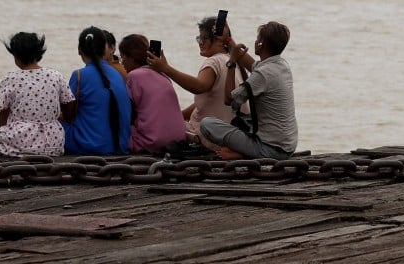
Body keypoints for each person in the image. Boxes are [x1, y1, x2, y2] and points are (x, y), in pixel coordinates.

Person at [200, 21, 298, 160]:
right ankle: (244, 151)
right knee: (243, 121)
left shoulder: (262, 74)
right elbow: (252, 65)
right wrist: (228, 39)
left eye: (258, 38)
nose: (255, 41)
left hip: (270, 149)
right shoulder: (281, 65)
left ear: (260, 44)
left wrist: (232, 63)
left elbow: (229, 99)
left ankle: (243, 153)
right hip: (288, 146)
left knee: (207, 124)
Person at [146, 16, 236, 149]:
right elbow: (210, 98)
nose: (200, 42)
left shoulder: (213, 62)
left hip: (206, 137)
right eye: (199, 38)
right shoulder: (233, 62)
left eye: (204, 38)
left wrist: (166, 68)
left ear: (219, 40)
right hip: (228, 134)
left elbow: (199, 87)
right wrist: (180, 115)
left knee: (154, 126)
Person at [0, 32, 76, 157]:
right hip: (53, 141)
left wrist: (3, 135)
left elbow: (3, 113)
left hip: (21, 140)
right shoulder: (55, 75)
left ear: (16, 56)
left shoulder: (10, 79)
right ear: (39, 54)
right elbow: (69, 105)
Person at [62, 27, 132, 155]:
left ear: (79, 50)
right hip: (120, 145)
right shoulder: (117, 73)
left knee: (51, 125)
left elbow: (68, 115)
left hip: (89, 146)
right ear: (104, 50)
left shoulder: (79, 75)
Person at [118, 34, 186, 153]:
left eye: (122, 57)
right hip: (177, 140)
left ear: (132, 58)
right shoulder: (164, 76)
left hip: (153, 142)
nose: (121, 62)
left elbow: (127, 114)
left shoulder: (134, 76)